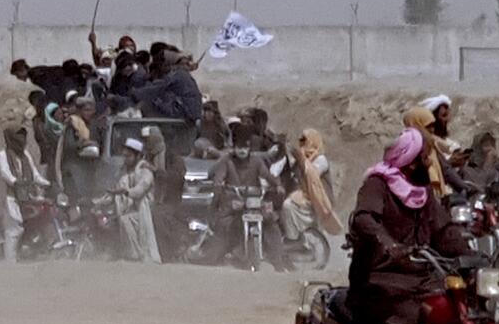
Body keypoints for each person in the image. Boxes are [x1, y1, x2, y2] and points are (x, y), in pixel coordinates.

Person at [338, 127, 471, 324]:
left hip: (417, 277)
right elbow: (365, 219)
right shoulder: (377, 185)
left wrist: (469, 254)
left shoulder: (422, 195)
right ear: (410, 163)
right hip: (378, 278)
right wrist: (389, 244)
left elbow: (444, 231)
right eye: (424, 158)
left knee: (454, 306)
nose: (430, 162)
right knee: (408, 315)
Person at [210, 125, 290, 271]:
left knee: (271, 223)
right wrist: (218, 189)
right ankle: (231, 253)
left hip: (254, 201)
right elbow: (218, 179)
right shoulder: (226, 161)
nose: (242, 151)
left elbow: (268, 176)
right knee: (225, 224)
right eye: (239, 147)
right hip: (233, 201)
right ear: (233, 147)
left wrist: (277, 185)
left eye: (245, 147)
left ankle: (278, 260)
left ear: (249, 148)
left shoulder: (256, 161)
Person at [0, 126, 51, 262]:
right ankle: (10, 261)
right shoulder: (3, 155)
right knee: (14, 229)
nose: (21, 140)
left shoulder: (25, 155)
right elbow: (5, 174)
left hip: (27, 196)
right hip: (10, 196)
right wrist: (17, 182)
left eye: (23, 136)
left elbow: (35, 174)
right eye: (18, 136)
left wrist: (47, 184)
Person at [282, 129, 343, 242]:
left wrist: (301, 160)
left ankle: (293, 238)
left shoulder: (321, 159)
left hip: (318, 198)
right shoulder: (300, 158)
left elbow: (311, 175)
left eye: (305, 140)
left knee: (288, 206)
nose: (302, 143)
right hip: (305, 195)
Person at [142, 126, 188, 261]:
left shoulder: (173, 157)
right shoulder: (146, 156)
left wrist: (157, 172)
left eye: (150, 139)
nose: (148, 143)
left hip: (169, 200)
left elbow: (176, 178)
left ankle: (167, 253)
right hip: (148, 197)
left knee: (158, 217)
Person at [113, 138, 161, 263]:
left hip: (146, 211)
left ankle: (136, 255)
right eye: (124, 156)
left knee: (125, 220)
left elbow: (140, 190)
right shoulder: (126, 174)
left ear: (138, 156)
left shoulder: (146, 172)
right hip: (131, 209)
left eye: (128, 156)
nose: (125, 159)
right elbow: (118, 189)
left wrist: (126, 192)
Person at [131, 51, 203, 124]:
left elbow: (156, 88)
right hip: (192, 112)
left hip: (184, 112)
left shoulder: (175, 74)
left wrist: (134, 93)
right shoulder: (182, 73)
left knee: (148, 103)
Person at [56, 97, 100, 203]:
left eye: (91, 110)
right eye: (86, 110)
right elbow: (70, 146)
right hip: (73, 171)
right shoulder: (73, 124)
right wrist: (84, 143)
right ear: (79, 111)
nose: (90, 113)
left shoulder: (92, 125)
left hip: (87, 169)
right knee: (75, 202)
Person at [9, 59, 74, 105]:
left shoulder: (35, 76)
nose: (18, 78)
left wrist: (57, 103)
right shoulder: (35, 71)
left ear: (22, 70)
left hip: (68, 84)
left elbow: (51, 88)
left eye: (17, 75)